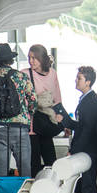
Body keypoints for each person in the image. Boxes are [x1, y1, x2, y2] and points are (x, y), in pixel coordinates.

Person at [0, 43, 37, 177]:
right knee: (24, 169)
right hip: (20, 127)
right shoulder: (21, 77)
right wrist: (29, 114)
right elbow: (33, 100)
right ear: (11, 60)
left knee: (2, 170)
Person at [62, 66, 97, 193]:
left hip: (89, 151)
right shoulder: (86, 100)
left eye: (79, 78)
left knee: (87, 186)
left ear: (88, 82)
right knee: (82, 186)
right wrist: (65, 121)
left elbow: (87, 130)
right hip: (86, 149)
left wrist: (73, 150)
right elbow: (81, 126)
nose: (76, 80)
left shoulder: (92, 101)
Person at [25, 44, 63, 176]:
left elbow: (57, 98)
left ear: (41, 58)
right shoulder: (25, 74)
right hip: (32, 126)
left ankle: (50, 191)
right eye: (29, 57)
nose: (31, 61)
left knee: (51, 162)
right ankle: (33, 192)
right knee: (33, 164)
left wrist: (62, 118)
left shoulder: (52, 74)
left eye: (34, 58)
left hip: (47, 122)